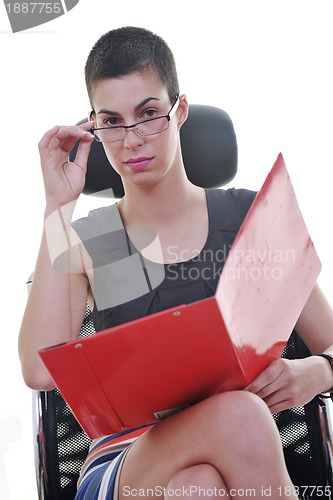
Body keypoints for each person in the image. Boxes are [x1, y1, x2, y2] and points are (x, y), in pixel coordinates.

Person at [18, 26, 333, 499]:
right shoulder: (100, 239)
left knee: (197, 486)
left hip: (234, 465)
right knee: (240, 413)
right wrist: (58, 206)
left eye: (148, 115)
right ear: (95, 128)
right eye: (112, 121)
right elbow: (40, 372)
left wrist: (318, 372)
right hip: (129, 461)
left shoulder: (250, 218)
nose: (131, 140)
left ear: (179, 111)